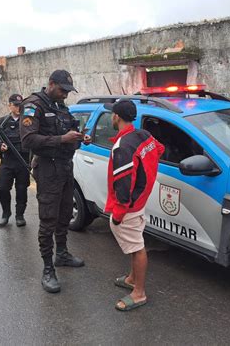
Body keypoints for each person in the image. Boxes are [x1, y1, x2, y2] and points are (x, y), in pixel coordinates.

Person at [20, 70, 91, 293]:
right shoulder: (34, 105)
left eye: (68, 92)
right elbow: (28, 140)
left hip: (65, 166)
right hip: (48, 168)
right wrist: (62, 139)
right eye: (62, 90)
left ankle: (62, 254)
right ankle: (48, 268)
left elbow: (71, 129)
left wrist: (79, 136)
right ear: (50, 84)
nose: (65, 95)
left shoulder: (60, 106)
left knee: (64, 214)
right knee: (48, 218)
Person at [104, 99, 164, 311]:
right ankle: (131, 278)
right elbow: (160, 149)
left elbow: (123, 184)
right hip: (140, 200)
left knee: (137, 247)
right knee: (133, 242)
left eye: (112, 114)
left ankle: (139, 293)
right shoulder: (144, 135)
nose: (111, 116)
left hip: (130, 205)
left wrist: (118, 214)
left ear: (117, 117)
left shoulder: (123, 146)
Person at [0, 94, 30, 228]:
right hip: (7, 161)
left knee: (21, 189)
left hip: (23, 162)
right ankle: (5, 214)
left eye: (20, 105)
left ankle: (20, 215)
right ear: (10, 105)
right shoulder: (3, 121)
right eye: (16, 105)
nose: (19, 108)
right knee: (2, 187)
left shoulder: (27, 121)